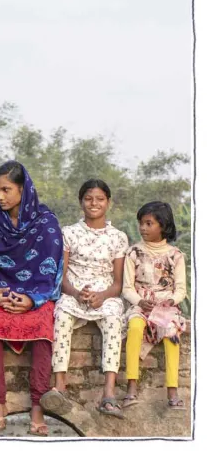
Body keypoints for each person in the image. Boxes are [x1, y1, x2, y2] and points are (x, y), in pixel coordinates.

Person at [0, 160, 63, 437]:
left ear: (23, 189)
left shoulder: (45, 221)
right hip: (1, 293)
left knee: (43, 329)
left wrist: (32, 300)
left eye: (6, 189)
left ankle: (37, 408)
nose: (0, 196)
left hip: (36, 296)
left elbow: (52, 270)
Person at [42, 179, 129, 419]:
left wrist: (102, 296)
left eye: (100, 199)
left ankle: (108, 393)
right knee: (61, 315)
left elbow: (118, 284)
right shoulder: (68, 233)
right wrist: (76, 293)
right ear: (81, 202)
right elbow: (62, 277)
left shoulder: (118, 237)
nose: (94, 203)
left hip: (105, 296)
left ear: (108, 203)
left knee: (114, 320)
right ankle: (60, 386)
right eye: (89, 198)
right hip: (74, 294)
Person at [122, 201, 188, 411]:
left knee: (171, 334)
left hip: (166, 307)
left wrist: (171, 301)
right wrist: (140, 301)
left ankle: (172, 390)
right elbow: (126, 288)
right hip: (141, 305)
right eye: (141, 223)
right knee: (134, 328)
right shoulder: (133, 253)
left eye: (149, 223)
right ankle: (131, 387)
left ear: (163, 226)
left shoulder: (175, 255)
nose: (143, 228)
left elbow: (180, 289)